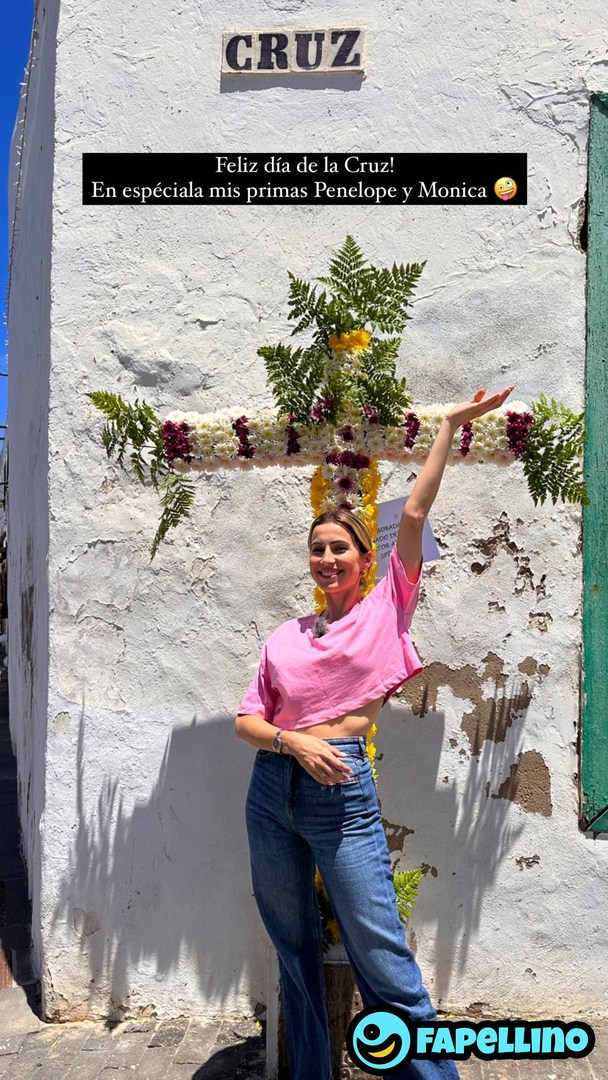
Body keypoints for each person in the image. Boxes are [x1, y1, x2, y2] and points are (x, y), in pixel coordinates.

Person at [236, 386, 514, 1080]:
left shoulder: (388, 606)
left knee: (382, 959)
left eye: (340, 548)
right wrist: (291, 741)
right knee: (293, 954)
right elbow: (247, 721)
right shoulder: (285, 637)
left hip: (340, 795)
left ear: (366, 561)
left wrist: (448, 426)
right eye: (317, 549)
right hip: (272, 793)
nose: (327, 558)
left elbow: (414, 511)